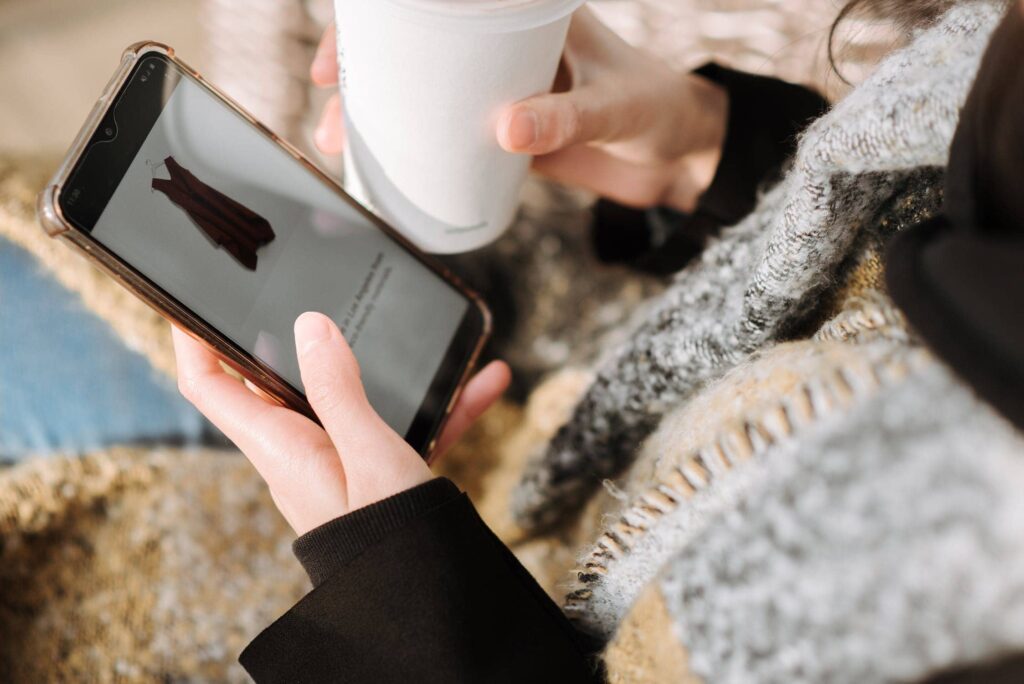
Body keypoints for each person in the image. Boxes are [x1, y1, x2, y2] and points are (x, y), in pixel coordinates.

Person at [173, 0, 1024, 681]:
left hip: (467, 586)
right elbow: (939, 226)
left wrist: (386, 578)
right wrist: (708, 150)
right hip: (568, 440)